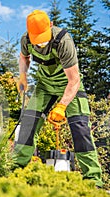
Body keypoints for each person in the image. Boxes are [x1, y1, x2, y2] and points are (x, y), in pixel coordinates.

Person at [12, 9, 103, 188]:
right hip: (45, 85)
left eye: (43, 38)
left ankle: (94, 181)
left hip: (69, 85)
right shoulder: (26, 39)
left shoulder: (63, 41)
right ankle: (15, 171)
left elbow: (74, 79)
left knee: (80, 128)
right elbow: (24, 57)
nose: (40, 43)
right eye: (36, 39)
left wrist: (62, 105)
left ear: (51, 26)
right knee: (28, 124)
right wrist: (22, 75)